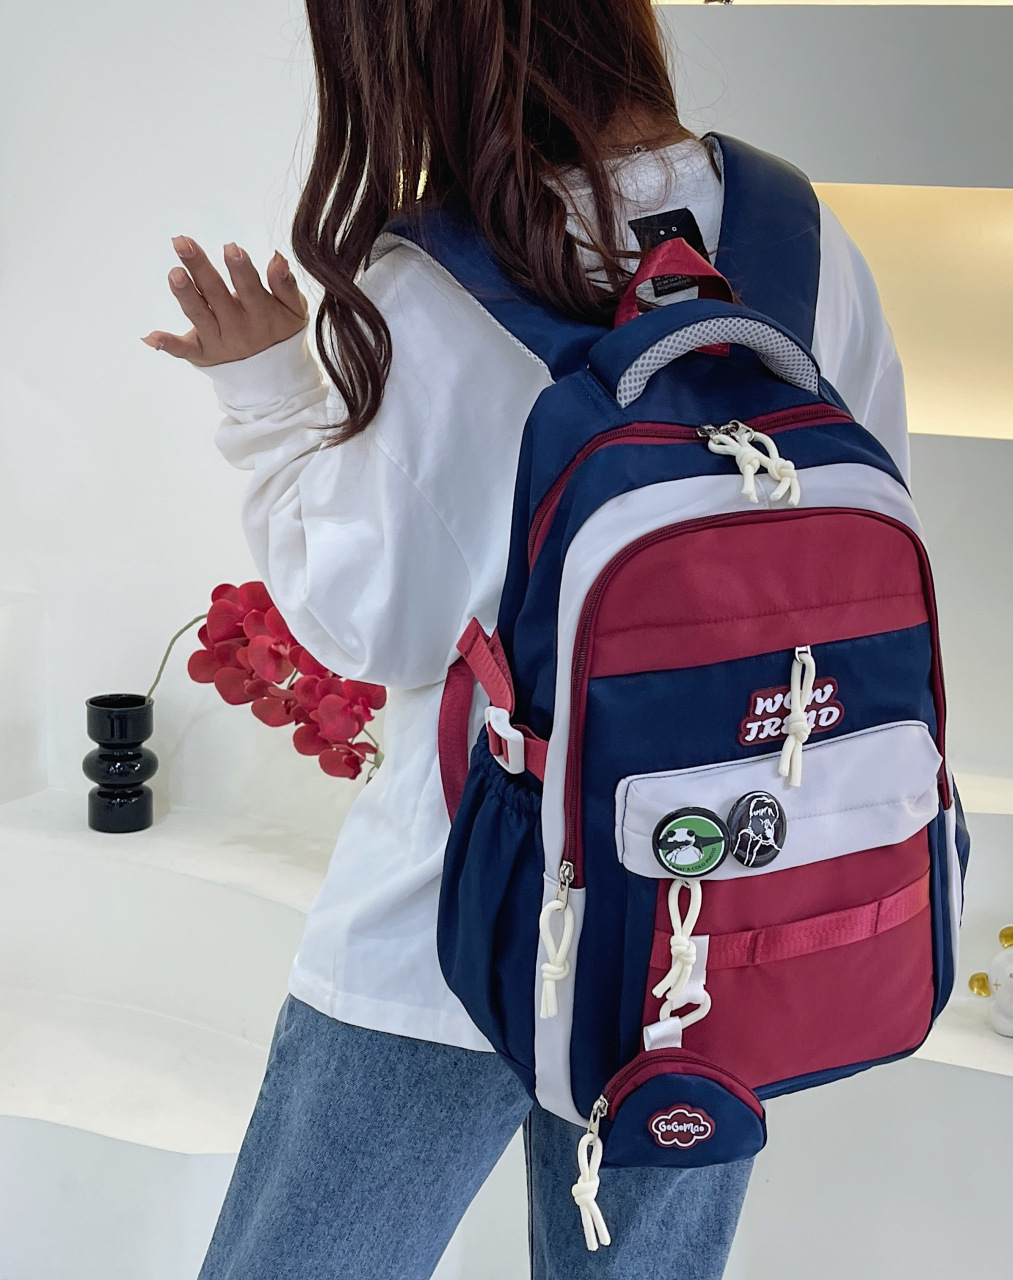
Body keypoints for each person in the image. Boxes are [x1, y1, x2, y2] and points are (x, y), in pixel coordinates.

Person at [144, 2, 909, 1276]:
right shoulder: (803, 236)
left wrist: (269, 399)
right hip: (711, 903)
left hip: (455, 918)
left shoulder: (436, 280)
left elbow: (373, 622)